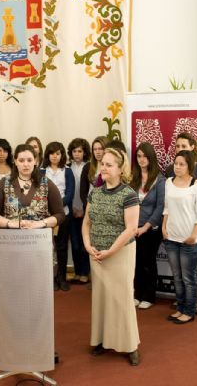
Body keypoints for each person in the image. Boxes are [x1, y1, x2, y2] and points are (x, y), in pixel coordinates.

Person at [82, 148, 140, 365]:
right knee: (100, 299)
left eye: (109, 165)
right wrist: (88, 245)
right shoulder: (94, 193)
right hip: (96, 254)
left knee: (122, 299)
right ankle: (100, 340)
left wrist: (111, 251)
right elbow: (87, 222)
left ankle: (130, 345)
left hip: (119, 254)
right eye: (102, 164)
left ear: (119, 169)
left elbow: (131, 229)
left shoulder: (129, 194)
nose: (103, 168)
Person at [163, 150, 197, 325]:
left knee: (189, 278)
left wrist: (193, 235)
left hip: (191, 241)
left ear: (190, 166)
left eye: (182, 164)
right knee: (177, 276)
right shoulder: (168, 183)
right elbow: (166, 208)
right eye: (176, 163)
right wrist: (164, 228)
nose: (178, 167)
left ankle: (189, 311)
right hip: (171, 239)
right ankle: (180, 308)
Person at [0, 144, 65, 230]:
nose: (25, 164)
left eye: (29, 160)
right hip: (11, 239)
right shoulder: (4, 183)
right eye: (21, 160)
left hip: (39, 238)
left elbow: (60, 215)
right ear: (15, 161)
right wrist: (10, 223)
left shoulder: (47, 184)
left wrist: (41, 223)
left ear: (35, 161)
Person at [130, 143, 165, 310]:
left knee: (148, 262)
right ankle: (138, 294)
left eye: (145, 156)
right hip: (133, 228)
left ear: (151, 158)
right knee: (135, 263)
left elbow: (160, 207)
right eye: (139, 156)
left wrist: (145, 227)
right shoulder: (133, 178)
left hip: (150, 230)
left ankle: (149, 296)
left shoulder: (160, 179)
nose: (142, 159)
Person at [41, 141, 75, 291]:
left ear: (62, 155)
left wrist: (57, 207)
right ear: (48, 155)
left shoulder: (67, 171)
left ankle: (61, 277)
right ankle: (49, 278)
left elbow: (70, 194)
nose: (55, 156)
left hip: (64, 215)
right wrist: (49, 208)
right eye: (52, 153)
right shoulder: (41, 171)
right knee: (46, 248)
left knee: (61, 247)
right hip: (45, 216)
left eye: (58, 153)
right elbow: (39, 193)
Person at [67, 137, 91, 284]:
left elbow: (87, 191)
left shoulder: (88, 167)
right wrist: (73, 209)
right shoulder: (67, 168)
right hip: (71, 210)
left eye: (80, 151)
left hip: (85, 210)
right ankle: (76, 271)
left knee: (84, 244)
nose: (77, 154)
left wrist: (83, 209)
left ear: (85, 152)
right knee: (74, 243)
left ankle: (85, 272)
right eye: (74, 151)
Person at [79, 136, 109, 209]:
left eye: (100, 149)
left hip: (106, 207)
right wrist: (88, 206)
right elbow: (83, 192)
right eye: (95, 149)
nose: (97, 152)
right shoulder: (87, 167)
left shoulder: (111, 167)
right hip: (89, 206)